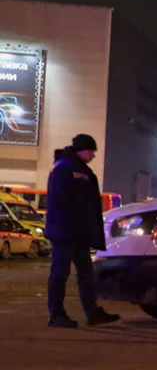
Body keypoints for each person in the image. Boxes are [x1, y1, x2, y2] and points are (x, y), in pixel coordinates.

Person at [45, 134, 121, 328]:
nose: (93, 155)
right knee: (60, 273)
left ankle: (92, 311)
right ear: (82, 150)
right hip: (65, 231)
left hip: (77, 232)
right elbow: (62, 200)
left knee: (86, 273)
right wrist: (76, 221)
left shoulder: (81, 170)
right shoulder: (65, 169)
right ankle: (56, 314)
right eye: (91, 151)